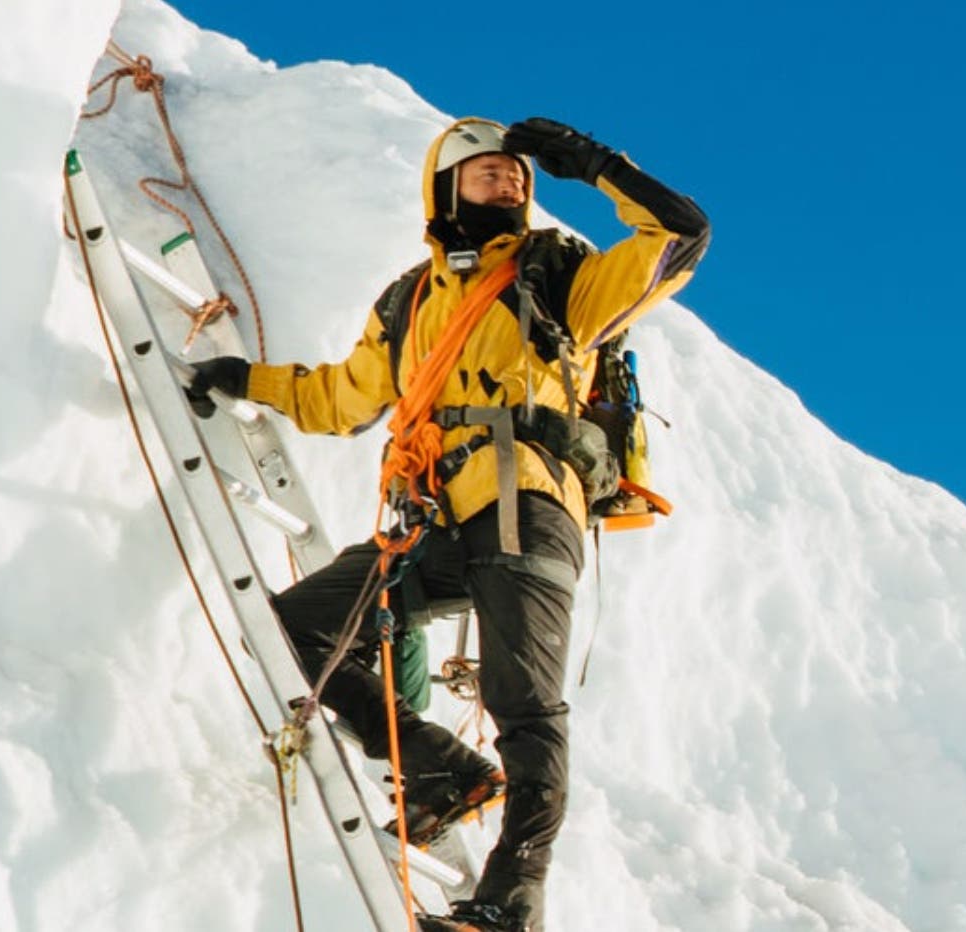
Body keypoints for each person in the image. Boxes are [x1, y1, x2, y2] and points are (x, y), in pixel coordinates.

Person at [186, 116, 708, 932]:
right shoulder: (408, 300)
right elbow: (342, 397)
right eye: (489, 172)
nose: (510, 182)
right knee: (292, 627)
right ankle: (440, 769)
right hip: (438, 518)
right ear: (444, 186)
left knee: (524, 703)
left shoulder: (558, 272)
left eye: (517, 175)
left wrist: (597, 166)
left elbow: (680, 235)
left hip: (530, 505)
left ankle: (514, 899)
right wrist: (243, 377)